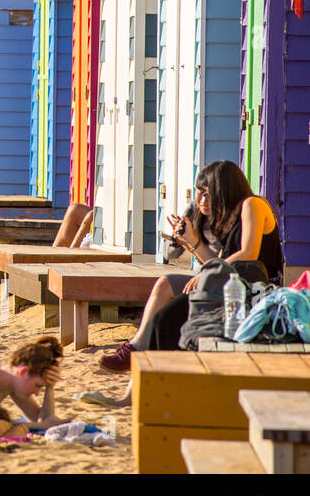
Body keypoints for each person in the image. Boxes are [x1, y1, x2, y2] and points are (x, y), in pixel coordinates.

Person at [99, 160, 283, 375]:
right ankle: (136, 345)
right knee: (165, 283)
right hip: (228, 287)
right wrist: (192, 242)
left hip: (254, 291)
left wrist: (207, 271)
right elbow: (215, 263)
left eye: (207, 193)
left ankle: (144, 354)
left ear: (224, 190)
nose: (201, 200)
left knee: (170, 314)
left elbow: (248, 254)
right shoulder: (229, 219)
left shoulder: (253, 205)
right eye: (199, 193)